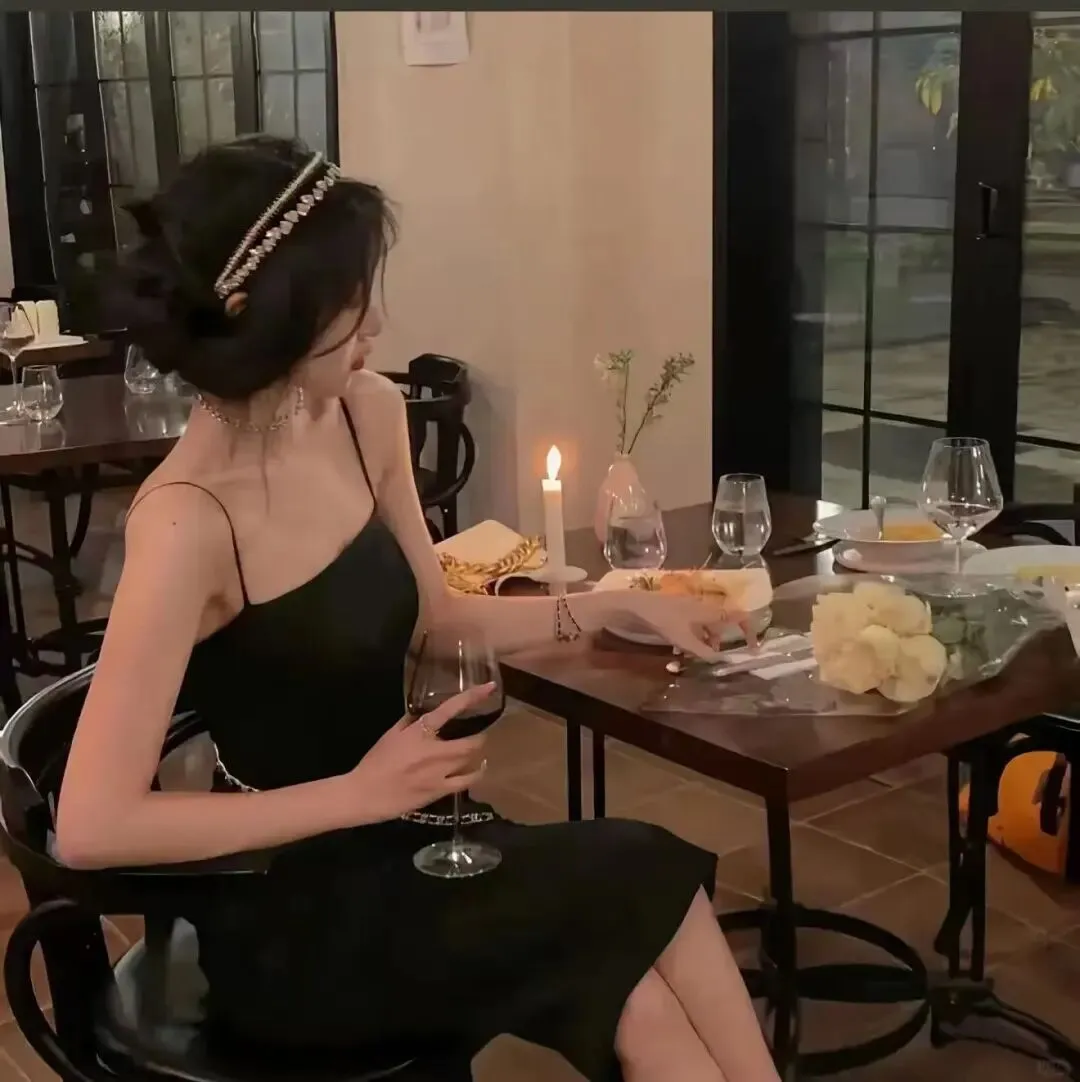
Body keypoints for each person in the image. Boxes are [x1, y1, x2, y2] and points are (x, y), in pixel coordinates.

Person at [55, 135, 780, 1082]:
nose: (377, 324)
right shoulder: (188, 521)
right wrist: (359, 794)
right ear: (258, 314)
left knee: (639, 971)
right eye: (351, 302)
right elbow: (92, 824)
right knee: (645, 878)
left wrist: (613, 602)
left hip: (420, 839)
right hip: (293, 911)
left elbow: (437, 621)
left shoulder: (364, 414)